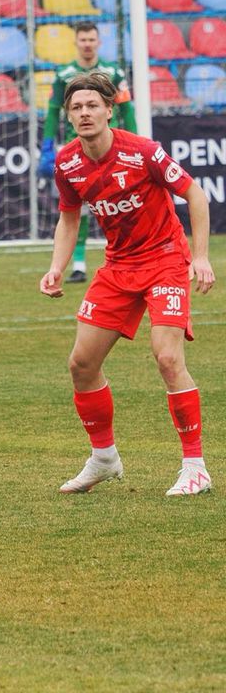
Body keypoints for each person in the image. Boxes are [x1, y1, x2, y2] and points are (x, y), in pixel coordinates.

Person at [39, 72, 215, 496]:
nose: (84, 113)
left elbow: (195, 195)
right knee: (81, 364)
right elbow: (69, 217)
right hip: (119, 267)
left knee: (167, 358)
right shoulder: (67, 162)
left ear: (108, 110)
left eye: (92, 106)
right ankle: (104, 459)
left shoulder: (144, 152)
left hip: (166, 260)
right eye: (76, 108)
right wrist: (57, 266)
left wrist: (202, 255)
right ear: (68, 116)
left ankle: (196, 467)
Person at [39, 22, 138, 284]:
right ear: (76, 42)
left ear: (98, 42)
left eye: (91, 39)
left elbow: (126, 108)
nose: (87, 44)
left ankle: (132, 256)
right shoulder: (63, 74)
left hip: (112, 147)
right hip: (76, 149)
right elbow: (52, 110)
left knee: (123, 204)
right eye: (83, 39)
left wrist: (137, 140)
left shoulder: (114, 72)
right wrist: (47, 145)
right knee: (75, 209)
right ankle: (79, 263)